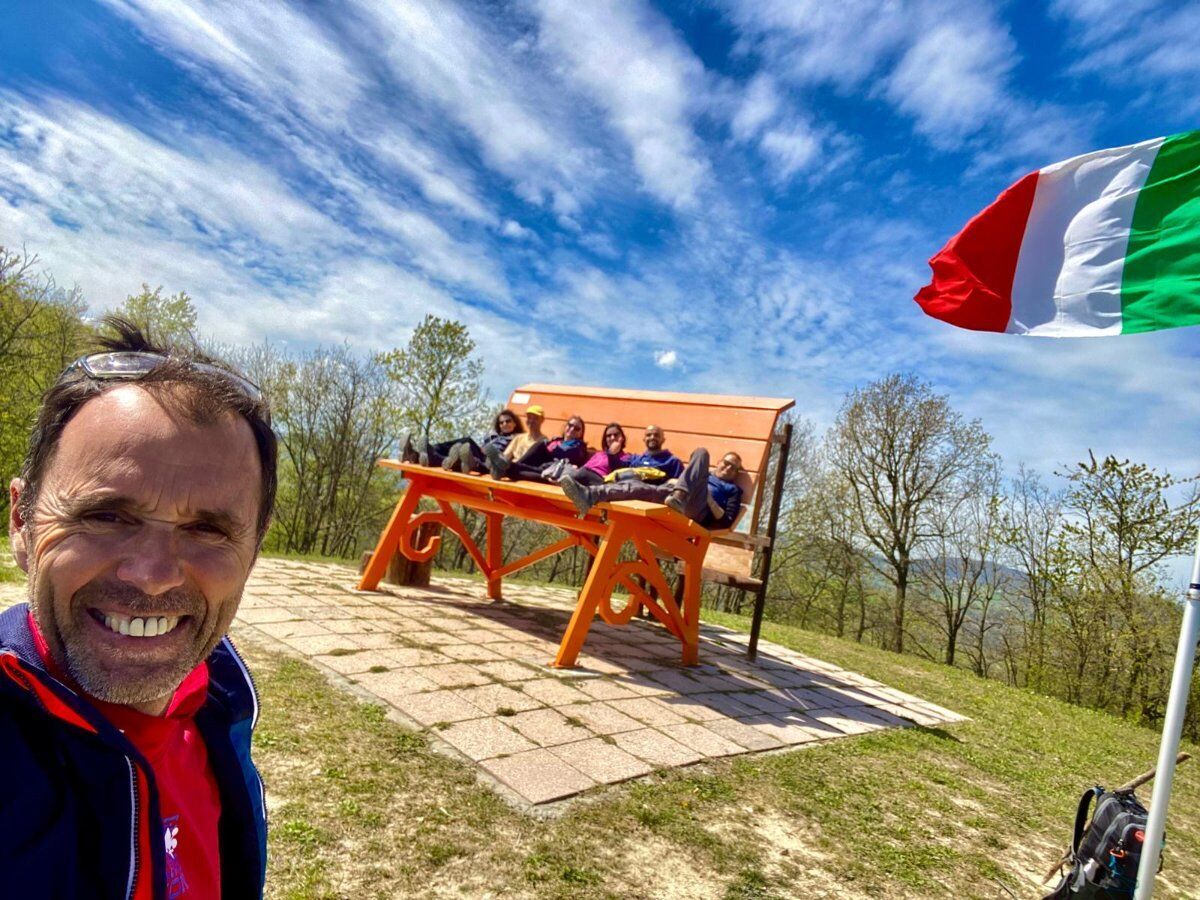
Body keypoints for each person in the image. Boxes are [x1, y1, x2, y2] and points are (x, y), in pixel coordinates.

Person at [0, 317, 275, 899]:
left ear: (253, 550)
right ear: (22, 520)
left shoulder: (221, 697)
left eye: (207, 529)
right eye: (105, 516)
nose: (151, 578)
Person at [559, 448, 744, 529]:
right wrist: (675, 482)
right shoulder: (704, 473)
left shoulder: (732, 490)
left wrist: (709, 499)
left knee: (702, 452)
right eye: (726, 463)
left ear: (736, 473)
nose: (727, 468)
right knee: (639, 487)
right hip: (673, 496)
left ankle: (679, 497)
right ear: (719, 463)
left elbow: (726, 521)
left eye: (733, 468)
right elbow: (687, 477)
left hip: (698, 510)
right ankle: (590, 495)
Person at [399, 408, 524, 472]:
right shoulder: (495, 436)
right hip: (480, 455)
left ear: (515, 424)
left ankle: (430, 451)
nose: (504, 424)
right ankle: (414, 455)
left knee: (467, 441)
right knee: (457, 455)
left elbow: (515, 456)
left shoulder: (518, 438)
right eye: (501, 422)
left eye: (508, 421)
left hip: (490, 462)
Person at [484, 414, 589, 481]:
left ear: (581, 433)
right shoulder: (556, 441)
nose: (572, 429)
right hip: (539, 467)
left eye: (576, 428)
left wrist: (552, 449)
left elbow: (567, 461)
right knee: (539, 445)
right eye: (570, 425)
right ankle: (496, 467)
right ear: (566, 426)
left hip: (552, 474)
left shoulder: (579, 448)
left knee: (515, 469)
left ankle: (499, 467)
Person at [562, 422, 632, 485]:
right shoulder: (599, 454)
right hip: (584, 478)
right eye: (609, 436)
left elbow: (619, 474)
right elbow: (585, 467)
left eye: (616, 435)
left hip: (601, 483)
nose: (612, 438)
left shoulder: (626, 457)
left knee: (581, 474)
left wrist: (612, 452)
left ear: (622, 438)